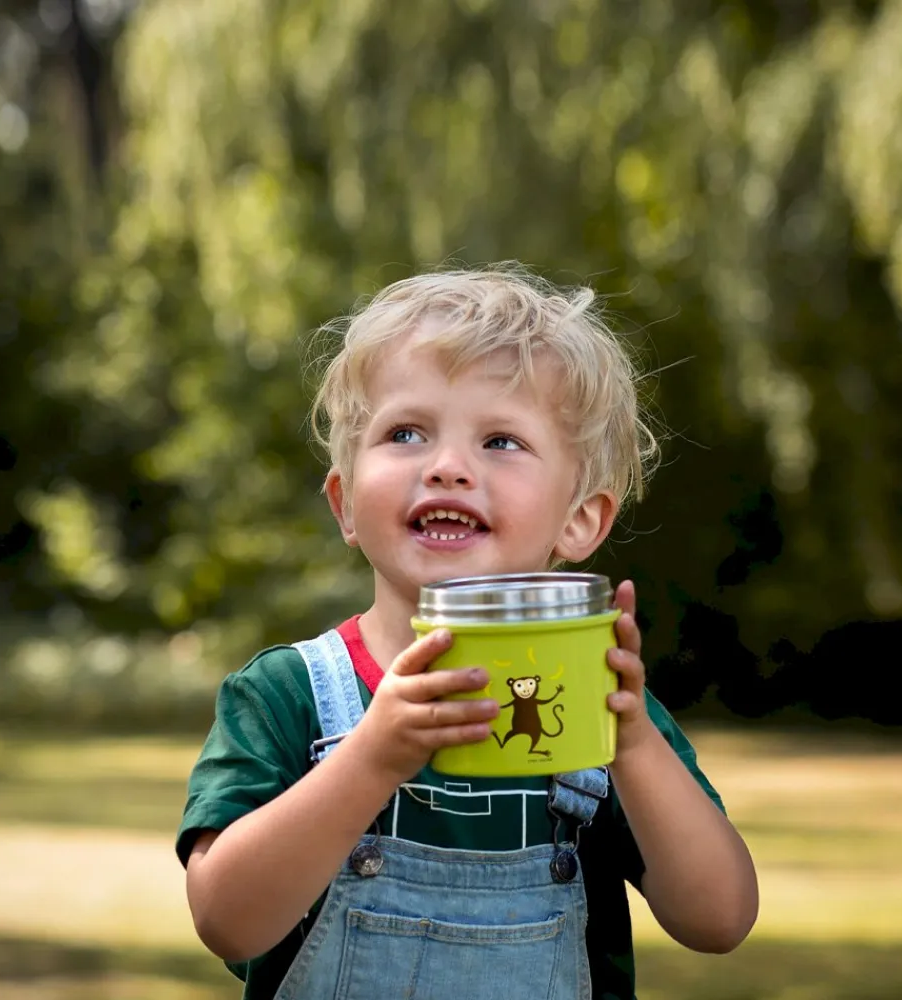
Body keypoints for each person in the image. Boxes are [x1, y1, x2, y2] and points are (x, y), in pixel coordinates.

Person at [176, 263, 759, 999]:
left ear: (579, 520)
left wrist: (634, 744)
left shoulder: (601, 710)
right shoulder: (288, 695)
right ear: (346, 503)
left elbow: (720, 919)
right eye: (406, 432)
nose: (448, 466)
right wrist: (370, 760)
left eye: (501, 442)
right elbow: (226, 920)